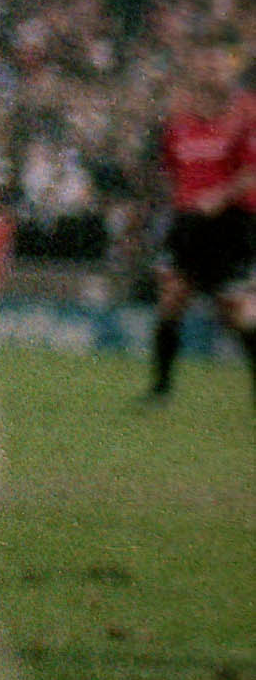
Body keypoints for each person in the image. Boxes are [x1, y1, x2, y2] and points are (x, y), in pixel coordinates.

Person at [143, 51, 255, 413]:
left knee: (235, 312)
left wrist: (219, 197)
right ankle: (160, 392)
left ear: (229, 74)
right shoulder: (178, 123)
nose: (211, 73)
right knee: (171, 298)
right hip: (188, 223)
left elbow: (252, 173)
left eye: (218, 67)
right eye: (205, 66)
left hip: (230, 224)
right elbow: (171, 169)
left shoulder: (246, 115)